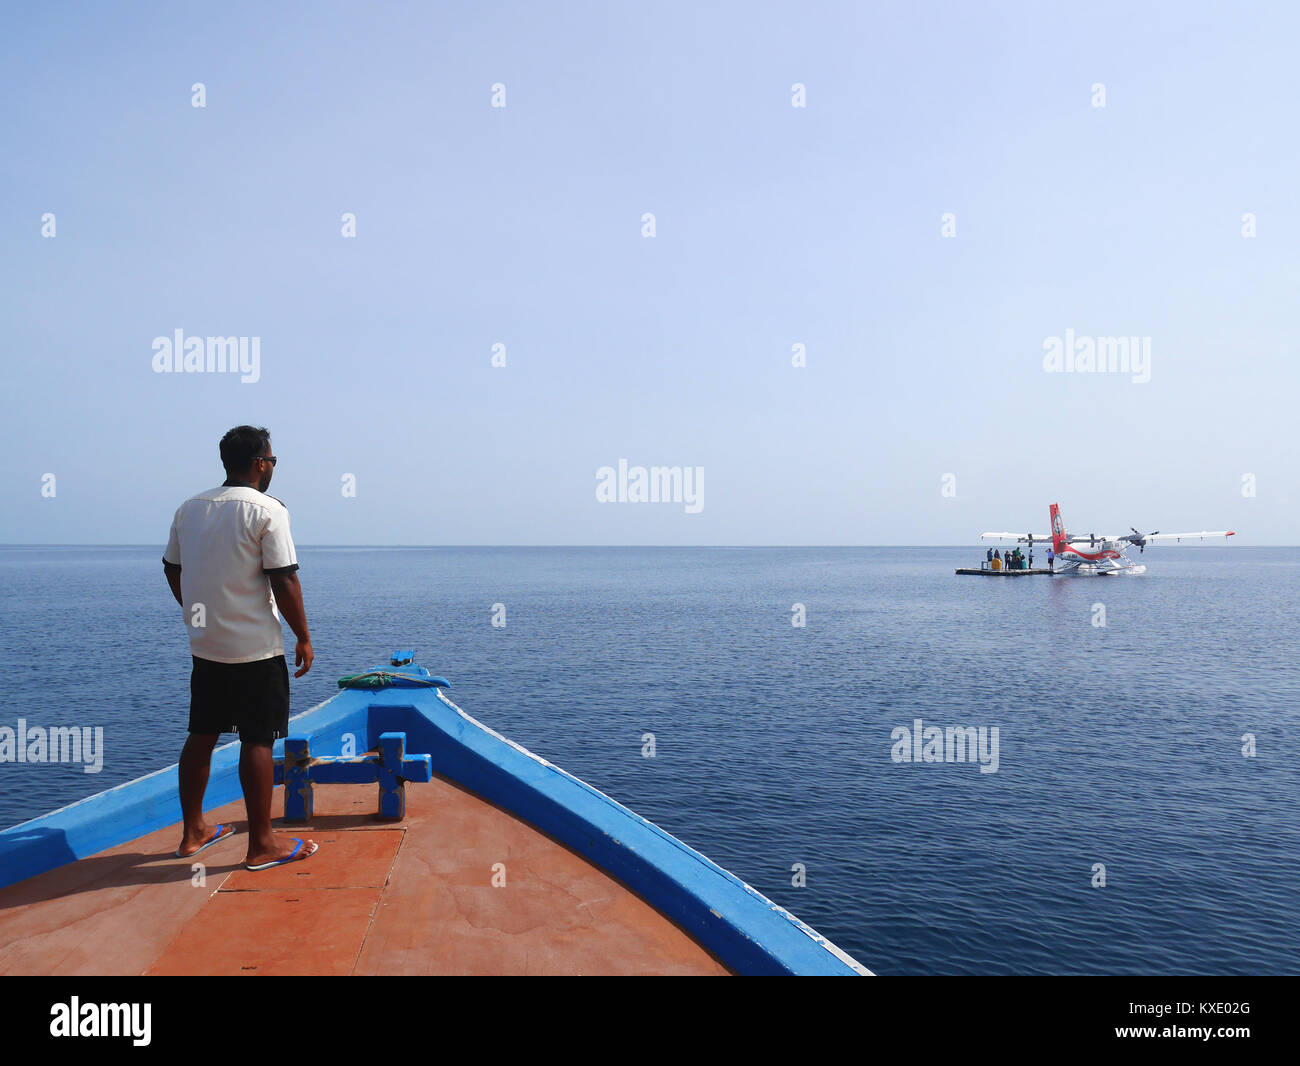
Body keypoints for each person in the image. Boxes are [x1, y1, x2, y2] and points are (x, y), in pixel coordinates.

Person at [163, 426, 319, 871]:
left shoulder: (189, 508)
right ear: (260, 463)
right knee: (258, 738)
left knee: (203, 732)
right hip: (254, 648)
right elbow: (285, 578)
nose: (271, 466)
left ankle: (193, 832)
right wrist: (303, 636)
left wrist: (197, 609)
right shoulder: (268, 511)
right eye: (271, 460)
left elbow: (172, 568)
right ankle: (262, 845)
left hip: (207, 644)